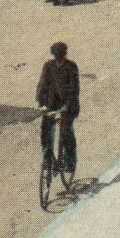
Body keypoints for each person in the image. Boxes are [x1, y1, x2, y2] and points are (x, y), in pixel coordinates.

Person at [36, 42, 80, 174]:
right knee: (45, 131)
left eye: (61, 56)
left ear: (65, 54)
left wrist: (67, 106)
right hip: (52, 103)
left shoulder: (71, 67)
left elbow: (74, 89)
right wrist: (40, 103)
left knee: (66, 131)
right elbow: (42, 84)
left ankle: (70, 162)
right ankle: (48, 159)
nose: (59, 58)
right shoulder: (48, 66)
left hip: (69, 104)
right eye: (57, 56)